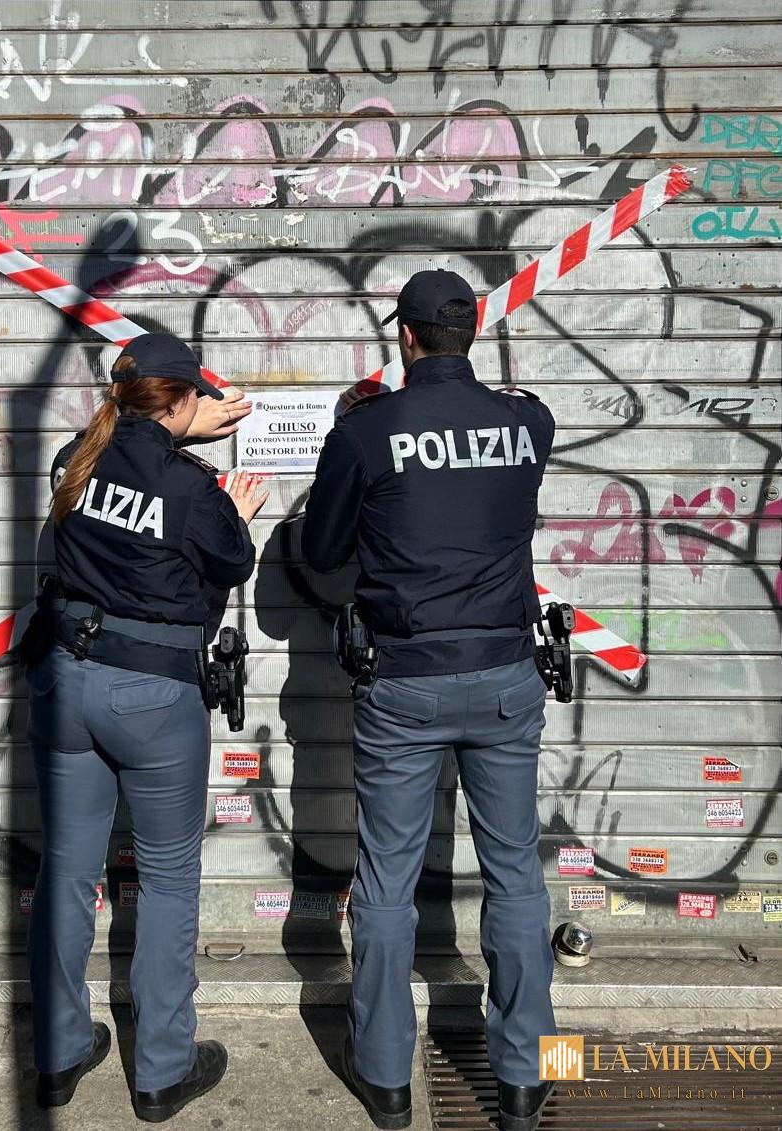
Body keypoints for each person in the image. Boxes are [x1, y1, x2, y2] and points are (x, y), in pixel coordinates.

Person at [302, 270, 558, 1131]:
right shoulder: (528, 422)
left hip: (404, 681)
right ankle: (524, 1077)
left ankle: (385, 1079)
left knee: (386, 879)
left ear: (405, 337)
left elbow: (327, 546)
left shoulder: (371, 431)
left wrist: (348, 443)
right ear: (471, 332)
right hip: (505, 676)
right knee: (517, 872)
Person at [23, 332, 269, 1122]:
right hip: (153, 699)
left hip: (66, 680)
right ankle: (161, 1070)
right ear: (184, 399)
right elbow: (232, 562)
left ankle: (59, 1054)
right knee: (166, 880)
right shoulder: (193, 490)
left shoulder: (76, 457)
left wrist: (178, 429)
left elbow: (123, 461)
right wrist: (232, 505)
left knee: (66, 873)